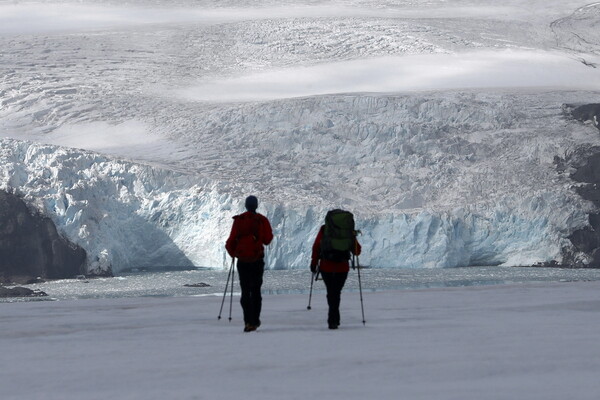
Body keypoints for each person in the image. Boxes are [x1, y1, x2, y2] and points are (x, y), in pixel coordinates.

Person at [225, 195, 273, 332]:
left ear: (246, 205)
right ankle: (255, 320)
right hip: (257, 260)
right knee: (256, 291)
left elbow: (230, 242)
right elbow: (268, 240)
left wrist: (235, 254)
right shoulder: (262, 220)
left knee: (245, 291)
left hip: (243, 262)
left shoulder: (239, 220)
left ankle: (248, 322)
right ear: (256, 205)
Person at [310, 216, 361, 330]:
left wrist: (314, 263)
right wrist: (353, 237)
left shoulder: (324, 229)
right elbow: (357, 251)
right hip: (342, 267)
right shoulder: (347, 231)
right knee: (336, 292)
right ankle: (334, 319)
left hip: (326, 266)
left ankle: (333, 319)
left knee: (331, 292)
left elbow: (316, 247)